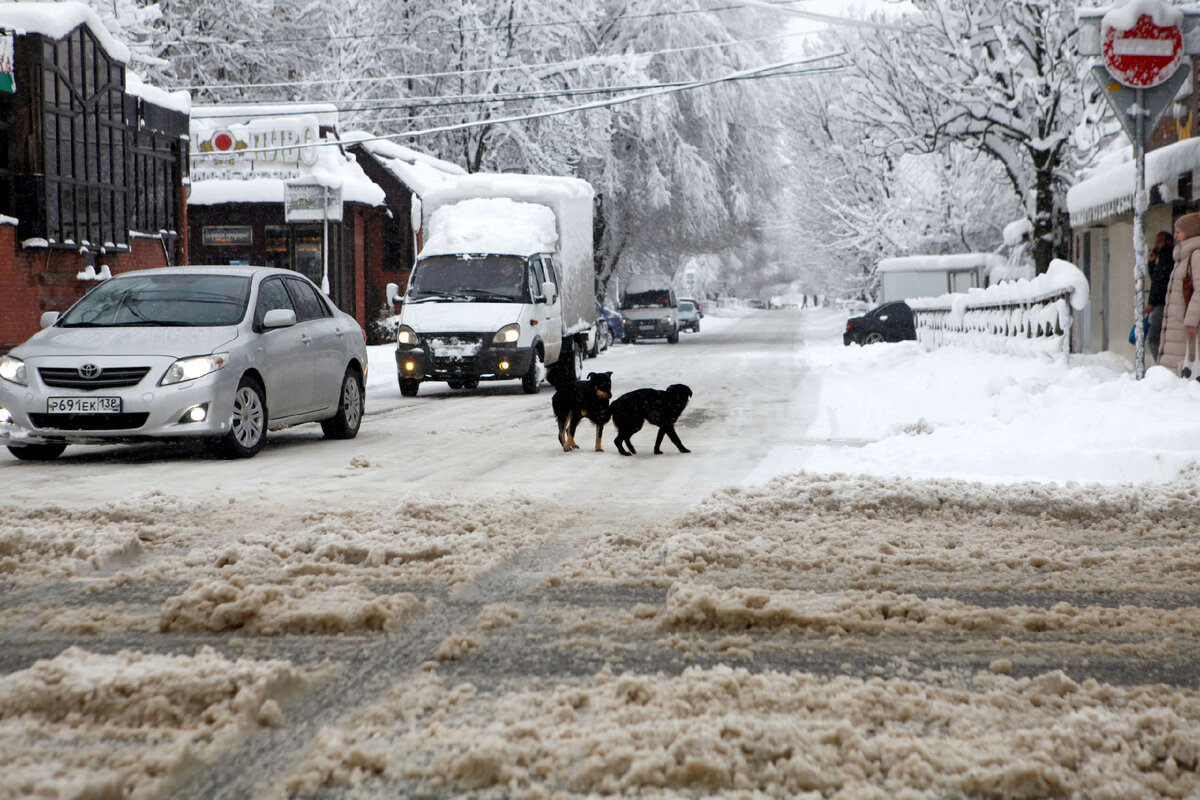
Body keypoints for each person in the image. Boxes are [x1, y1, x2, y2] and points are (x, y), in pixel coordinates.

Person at [1159, 213, 1200, 376]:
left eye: (1179, 231)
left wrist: (1191, 321)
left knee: (1182, 371)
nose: (1175, 236)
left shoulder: (1196, 255)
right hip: (1179, 326)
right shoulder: (1183, 256)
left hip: (1187, 327)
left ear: (1190, 233)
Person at [1145, 230, 1173, 362]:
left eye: (1159, 242)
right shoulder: (1164, 258)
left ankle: (1160, 363)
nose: (1156, 245)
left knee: (1153, 337)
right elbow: (1156, 278)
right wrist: (1151, 263)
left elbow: (1160, 282)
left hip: (1161, 303)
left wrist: (1152, 302)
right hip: (1162, 302)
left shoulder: (1167, 257)